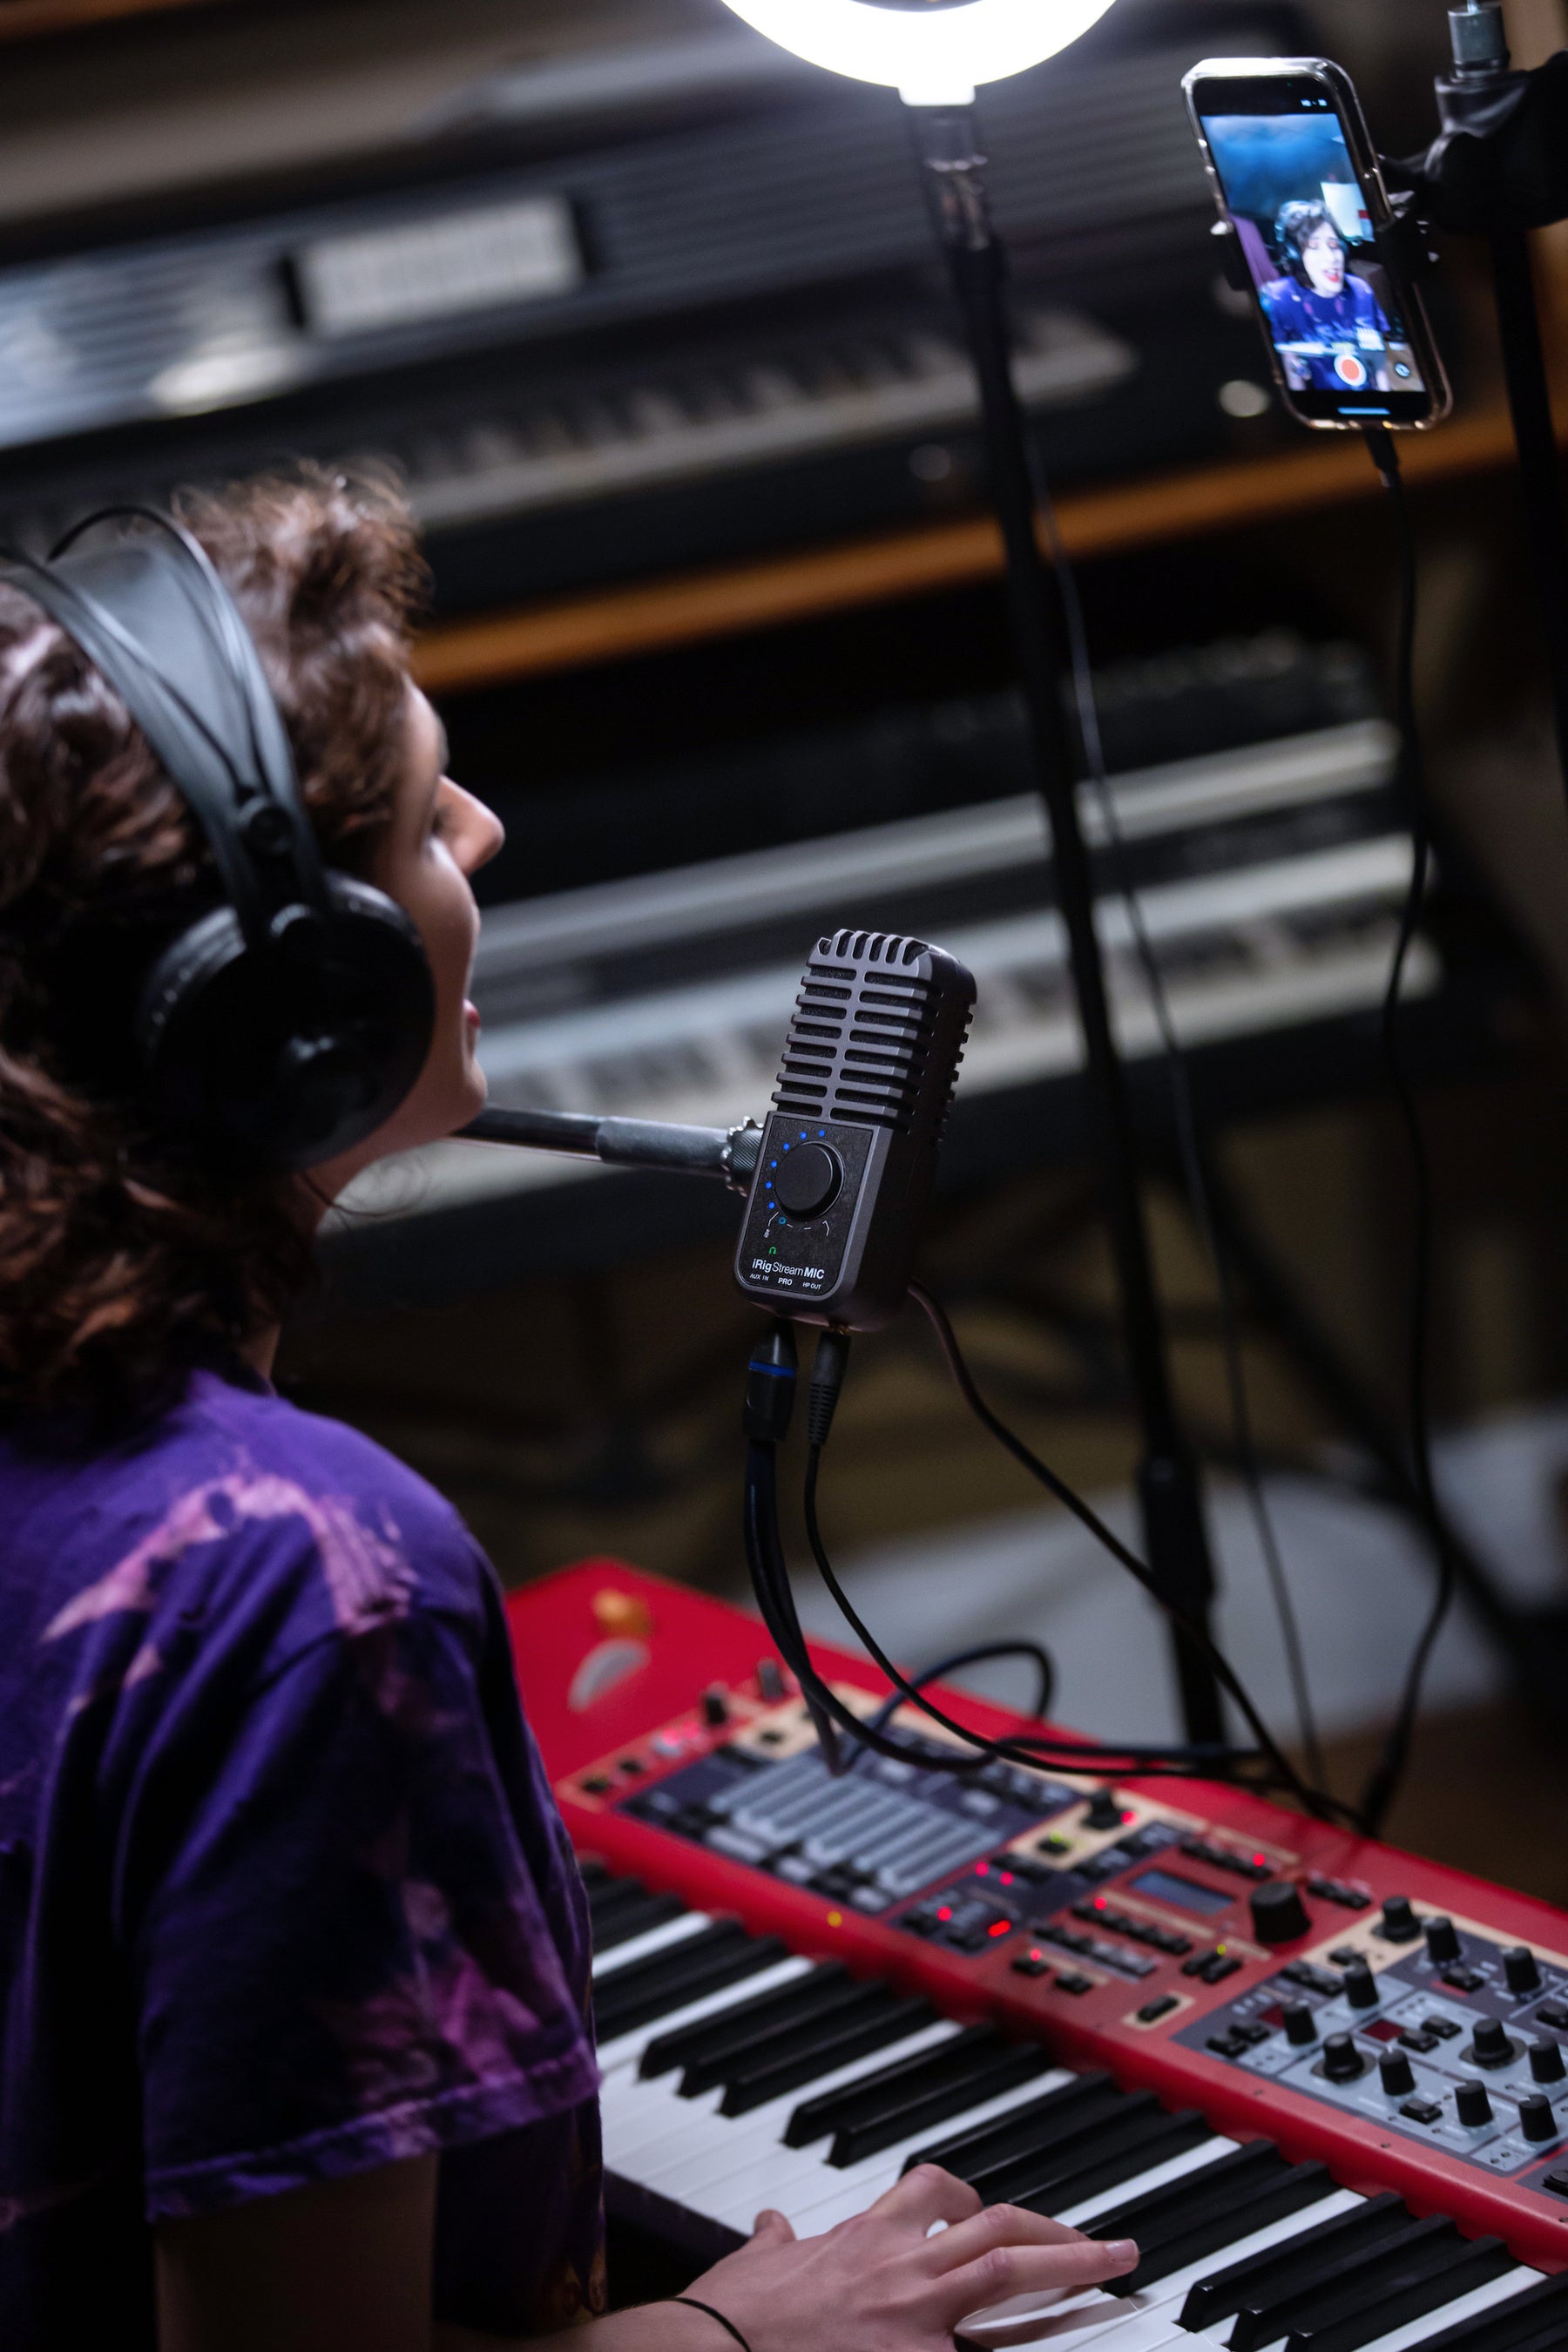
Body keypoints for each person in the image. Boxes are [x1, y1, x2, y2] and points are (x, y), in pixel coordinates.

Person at [0, 470, 1140, 2350]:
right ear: (300, 996)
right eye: (421, 817)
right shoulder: (296, 1581)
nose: (485, 828)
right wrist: (742, 2334)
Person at [1259, 198, 1394, 393]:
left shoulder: (1360, 290)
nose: (1331, 258)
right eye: (1314, 247)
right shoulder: (1281, 298)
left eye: (1333, 245)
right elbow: (1292, 367)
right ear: (1295, 256)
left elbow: (1378, 360)